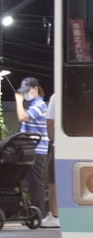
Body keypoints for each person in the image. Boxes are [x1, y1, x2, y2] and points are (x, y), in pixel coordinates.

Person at [14, 77, 49, 223]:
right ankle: (33, 213)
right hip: (30, 149)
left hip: (37, 150)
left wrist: (18, 102)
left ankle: (38, 214)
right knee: (31, 183)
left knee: (35, 183)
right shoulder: (34, 104)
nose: (25, 94)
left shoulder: (39, 104)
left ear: (35, 89)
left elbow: (23, 117)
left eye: (27, 91)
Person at [43, 92, 57, 228]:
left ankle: (55, 215)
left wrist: (53, 140)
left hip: (60, 145)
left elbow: (50, 123)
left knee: (54, 181)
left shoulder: (56, 96)